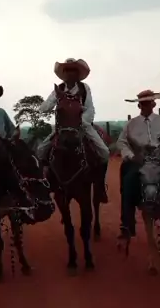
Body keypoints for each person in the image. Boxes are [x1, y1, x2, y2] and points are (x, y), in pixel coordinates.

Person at [38, 58, 110, 202]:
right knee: (41, 150)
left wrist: (81, 121)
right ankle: (47, 184)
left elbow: (90, 108)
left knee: (104, 152)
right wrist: (49, 104)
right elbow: (45, 107)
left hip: (81, 125)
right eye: (67, 70)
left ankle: (100, 187)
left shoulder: (84, 88)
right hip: (62, 127)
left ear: (77, 74)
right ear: (63, 74)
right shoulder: (59, 89)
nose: (70, 73)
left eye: (73, 70)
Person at [117, 89, 160, 239]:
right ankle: (127, 224)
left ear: (154, 104)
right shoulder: (131, 124)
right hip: (139, 160)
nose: (146, 106)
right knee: (128, 183)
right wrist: (132, 156)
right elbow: (122, 142)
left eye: (148, 103)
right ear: (139, 106)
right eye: (143, 104)